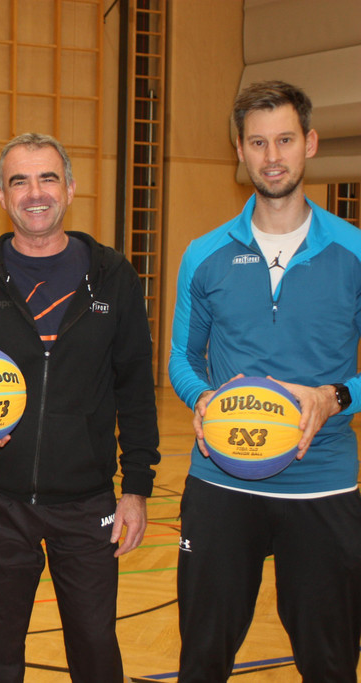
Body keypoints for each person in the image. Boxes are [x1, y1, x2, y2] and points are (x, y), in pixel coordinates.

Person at [0, 133, 160, 682]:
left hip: (87, 503)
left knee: (95, 648)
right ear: (0, 195)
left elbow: (135, 387)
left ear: (70, 188)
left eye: (47, 178)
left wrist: (136, 488)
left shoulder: (114, 277)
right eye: (19, 181)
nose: (34, 193)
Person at [169, 80, 361, 681]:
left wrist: (336, 396)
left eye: (284, 140)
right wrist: (202, 397)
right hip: (221, 482)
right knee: (202, 662)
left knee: (331, 664)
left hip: (321, 485)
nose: (271, 156)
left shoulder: (354, 251)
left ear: (310, 143)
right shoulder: (204, 254)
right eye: (257, 142)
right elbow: (181, 358)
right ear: (239, 150)